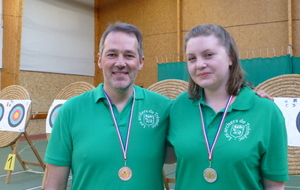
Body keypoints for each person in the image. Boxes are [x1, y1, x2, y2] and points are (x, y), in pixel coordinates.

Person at [44, 22, 173, 190]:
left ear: (141, 62)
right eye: (112, 54)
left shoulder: (164, 108)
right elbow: (53, 184)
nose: (120, 63)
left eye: (129, 55)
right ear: (100, 60)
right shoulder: (71, 110)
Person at [167, 24, 289, 189]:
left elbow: (274, 186)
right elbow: (164, 155)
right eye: (192, 58)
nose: (199, 64)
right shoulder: (180, 106)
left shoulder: (266, 112)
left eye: (208, 55)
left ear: (230, 57)